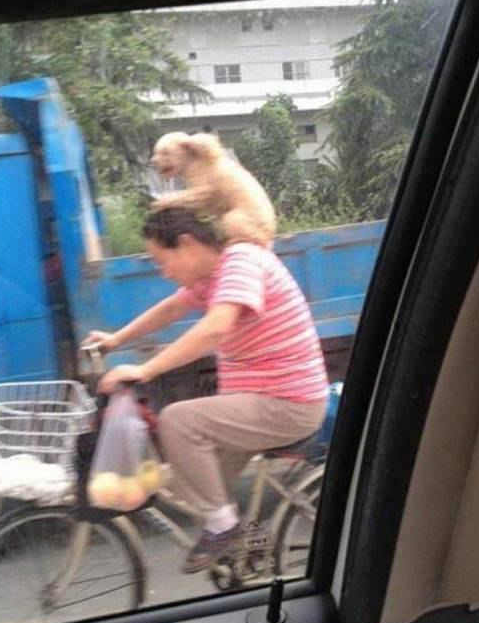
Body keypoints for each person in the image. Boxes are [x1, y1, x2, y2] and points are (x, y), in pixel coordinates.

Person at [84, 207, 329, 573]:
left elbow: (216, 328)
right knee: (198, 484)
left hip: (287, 403)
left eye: (162, 261)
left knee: (179, 422)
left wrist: (145, 370)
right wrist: (116, 340)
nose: (164, 272)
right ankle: (250, 547)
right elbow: (171, 308)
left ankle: (224, 527)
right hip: (260, 401)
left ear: (186, 243)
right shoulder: (213, 276)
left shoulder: (241, 261)